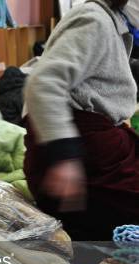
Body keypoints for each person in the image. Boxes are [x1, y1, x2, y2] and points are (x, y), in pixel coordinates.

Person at [24, 0, 139, 240]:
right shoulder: (94, 20)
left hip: (92, 143)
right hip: (74, 150)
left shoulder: (112, 25)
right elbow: (44, 83)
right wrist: (65, 157)